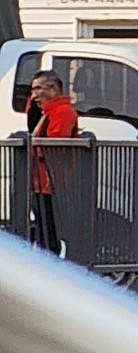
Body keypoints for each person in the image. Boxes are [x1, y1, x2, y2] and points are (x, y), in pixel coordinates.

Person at [29, 70, 78, 254]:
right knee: (44, 232)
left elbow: (55, 145)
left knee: (49, 234)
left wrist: (31, 150)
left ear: (53, 89)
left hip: (51, 184)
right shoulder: (50, 112)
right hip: (43, 183)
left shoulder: (62, 111)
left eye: (37, 89)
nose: (33, 96)